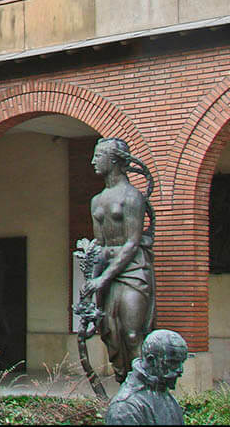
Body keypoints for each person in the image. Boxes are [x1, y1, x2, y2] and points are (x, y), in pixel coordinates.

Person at [80, 138, 156, 383]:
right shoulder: (96, 201)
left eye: (98, 155)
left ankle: (144, 384)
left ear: (114, 160)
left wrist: (103, 277)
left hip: (133, 271)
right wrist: (91, 278)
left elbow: (132, 243)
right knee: (110, 333)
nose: (93, 161)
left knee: (133, 333)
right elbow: (100, 244)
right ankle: (124, 380)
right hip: (108, 274)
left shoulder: (132, 197)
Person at [105, 329, 188, 425]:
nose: (180, 370)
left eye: (182, 362)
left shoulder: (165, 396)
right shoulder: (124, 408)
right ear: (151, 360)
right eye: (173, 362)